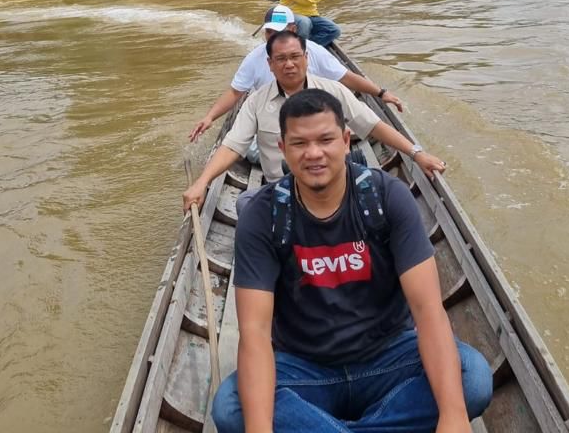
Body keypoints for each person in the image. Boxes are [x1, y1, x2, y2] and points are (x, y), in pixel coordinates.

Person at [210, 89, 492, 432]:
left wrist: (453, 416)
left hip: (387, 357)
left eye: (326, 139)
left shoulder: (388, 198)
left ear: (346, 140)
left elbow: (428, 310)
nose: (314, 154)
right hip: (304, 367)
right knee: (231, 408)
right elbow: (254, 332)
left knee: (472, 378)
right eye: (299, 144)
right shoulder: (262, 216)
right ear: (283, 149)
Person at [182, 31, 446, 210]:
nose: (289, 65)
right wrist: (202, 182)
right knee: (245, 206)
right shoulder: (256, 101)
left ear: (307, 59)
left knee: (386, 198)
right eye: (281, 59)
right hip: (283, 189)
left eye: (295, 57)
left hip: (334, 185)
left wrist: (416, 153)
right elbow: (232, 145)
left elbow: (373, 125)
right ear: (270, 65)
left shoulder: (332, 90)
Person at [187, 5, 404, 144]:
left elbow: (346, 77)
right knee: (252, 151)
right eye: (270, 32)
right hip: (271, 123)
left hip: (311, 120)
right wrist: (209, 117)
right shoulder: (255, 59)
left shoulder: (312, 51)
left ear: (292, 29)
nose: (275, 37)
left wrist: (381, 93)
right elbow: (235, 93)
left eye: (281, 31)